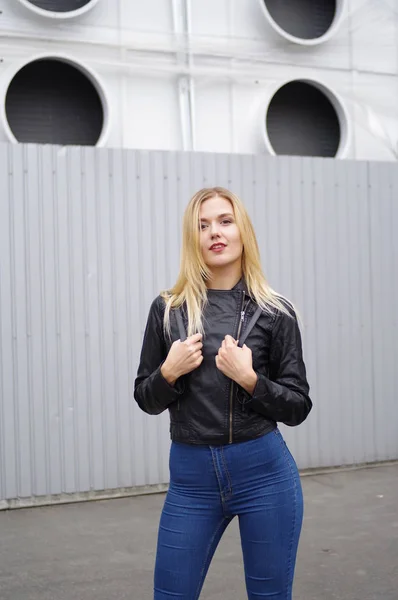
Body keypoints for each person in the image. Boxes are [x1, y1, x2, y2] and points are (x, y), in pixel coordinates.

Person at [134, 187, 312, 600]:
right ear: (192, 238)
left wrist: (251, 380)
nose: (215, 232)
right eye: (203, 225)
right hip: (191, 483)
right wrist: (168, 372)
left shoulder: (276, 312)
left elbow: (298, 405)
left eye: (225, 221)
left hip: (265, 476)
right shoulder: (168, 309)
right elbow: (146, 397)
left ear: (242, 231)